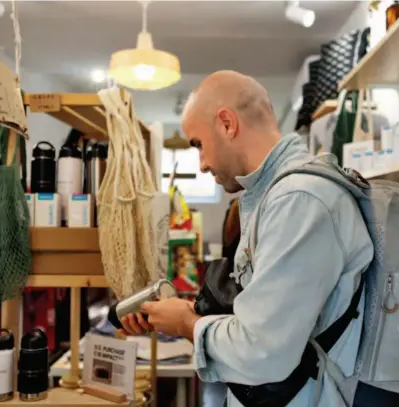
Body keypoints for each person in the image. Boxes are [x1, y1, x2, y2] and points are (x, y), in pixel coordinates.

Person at [118, 70, 374, 407]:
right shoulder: (272, 196)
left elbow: (262, 350)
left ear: (226, 124)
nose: (202, 165)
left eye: (198, 145)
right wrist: (187, 312)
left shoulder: (300, 200)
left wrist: (187, 324)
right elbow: (263, 314)